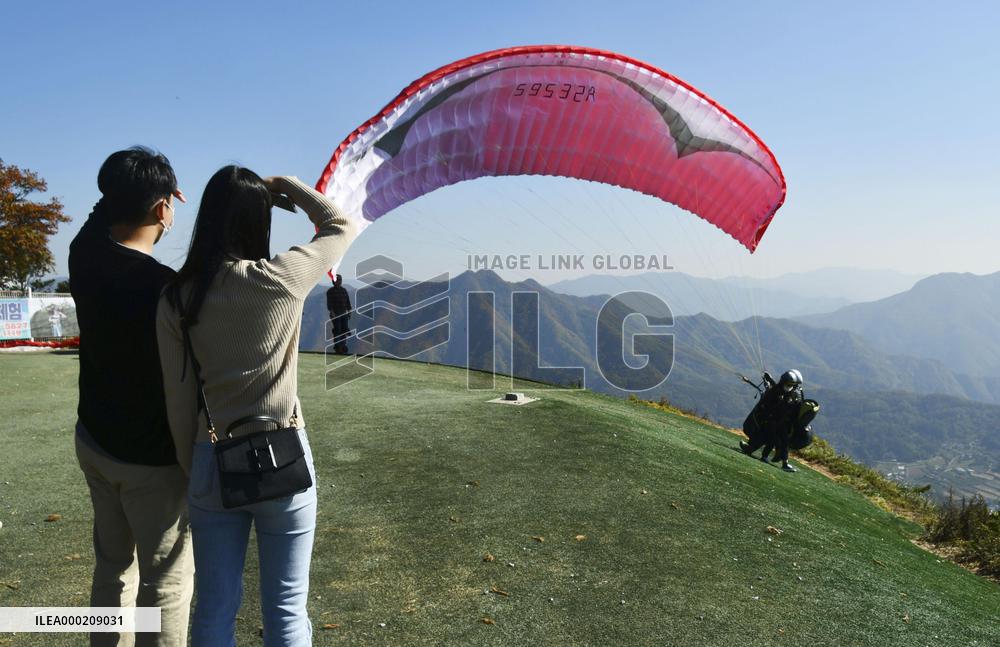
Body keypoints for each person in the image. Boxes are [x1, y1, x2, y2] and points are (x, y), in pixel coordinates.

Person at [157, 167, 357, 646]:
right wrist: (285, 186)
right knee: (287, 612)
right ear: (259, 221)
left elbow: (178, 399)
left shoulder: (178, 297)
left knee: (214, 610)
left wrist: (195, 472)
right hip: (283, 455)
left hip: (213, 456)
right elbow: (340, 225)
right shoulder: (282, 277)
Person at [68, 147, 193, 647]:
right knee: (165, 582)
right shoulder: (166, 288)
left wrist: (139, 189)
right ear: (164, 208)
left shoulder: (84, 253)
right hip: (151, 460)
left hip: (94, 440)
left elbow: (105, 208)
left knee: (113, 568)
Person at [740, 369, 804, 472]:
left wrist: (769, 379)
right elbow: (777, 395)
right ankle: (756, 452)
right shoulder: (777, 391)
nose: (792, 386)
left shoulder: (788, 391)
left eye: (793, 384)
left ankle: (774, 459)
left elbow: (784, 395)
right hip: (772, 420)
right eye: (790, 384)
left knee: (777, 440)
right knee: (772, 438)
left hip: (781, 422)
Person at [326, 273, 352, 354]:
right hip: (336, 313)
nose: (340, 281)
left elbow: (347, 301)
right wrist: (332, 312)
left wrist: (349, 311)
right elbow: (329, 303)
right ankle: (337, 346)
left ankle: (343, 345)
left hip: (343, 313)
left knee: (344, 329)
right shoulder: (330, 291)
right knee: (338, 330)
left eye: (340, 279)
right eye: (338, 280)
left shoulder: (344, 290)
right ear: (334, 281)